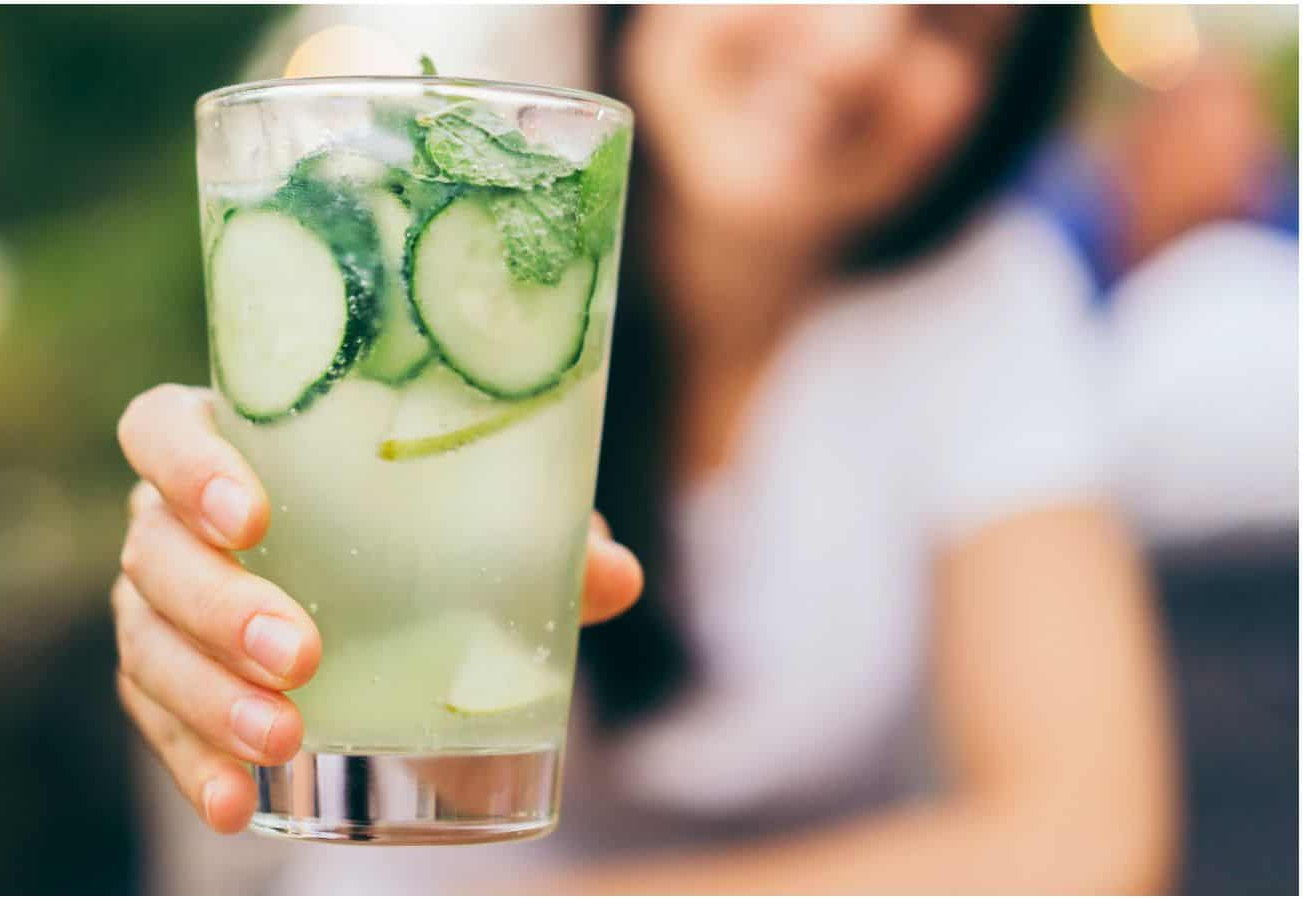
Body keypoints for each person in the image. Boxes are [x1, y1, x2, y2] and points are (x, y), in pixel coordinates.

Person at [114, 6, 1179, 893]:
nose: (858, 44)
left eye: (947, 25)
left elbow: (1087, 837)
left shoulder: (982, 304)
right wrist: (201, 595)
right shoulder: (418, 200)